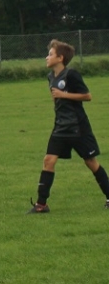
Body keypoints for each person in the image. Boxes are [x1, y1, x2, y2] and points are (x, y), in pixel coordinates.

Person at [29, 40, 109, 213]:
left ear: (60, 58)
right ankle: (41, 205)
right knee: (48, 160)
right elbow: (57, 101)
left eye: (50, 54)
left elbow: (87, 96)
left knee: (91, 162)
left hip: (78, 127)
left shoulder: (71, 75)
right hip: (60, 127)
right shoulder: (51, 77)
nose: (47, 57)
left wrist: (64, 95)